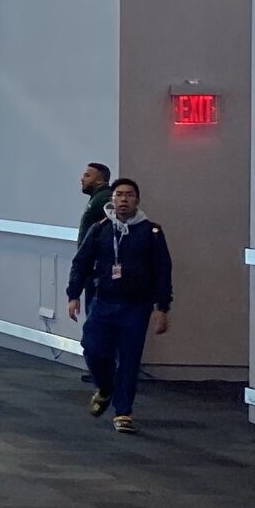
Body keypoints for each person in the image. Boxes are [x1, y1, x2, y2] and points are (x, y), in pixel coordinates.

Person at [67, 177, 172, 433]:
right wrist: (73, 295)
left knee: (129, 359)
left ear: (137, 200)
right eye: (119, 195)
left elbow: (163, 270)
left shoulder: (151, 233)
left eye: (129, 195)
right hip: (103, 301)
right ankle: (105, 387)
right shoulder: (101, 229)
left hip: (136, 306)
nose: (124, 199)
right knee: (92, 349)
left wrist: (162, 308)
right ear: (112, 200)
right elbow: (81, 263)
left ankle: (123, 411)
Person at [74, 159, 113, 382]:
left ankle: (103, 369)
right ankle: (101, 367)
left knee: (97, 318)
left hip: (98, 271)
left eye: (88, 175)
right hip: (93, 268)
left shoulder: (103, 200)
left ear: (101, 179)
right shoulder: (97, 200)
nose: (82, 178)